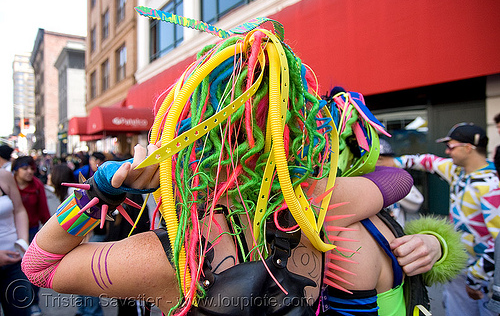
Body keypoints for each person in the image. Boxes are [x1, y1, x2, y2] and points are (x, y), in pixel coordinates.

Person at [21, 20, 457, 316]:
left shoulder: (180, 256)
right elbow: (396, 179)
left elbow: (40, 267)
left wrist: (103, 191)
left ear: (188, 138)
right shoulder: (337, 204)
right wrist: (434, 244)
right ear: (304, 132)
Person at [378, 122, 500, 316]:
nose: (447, 151)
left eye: (451, 146)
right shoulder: (457, 171)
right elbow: (426, 161)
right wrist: (393, 163)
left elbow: (498, 241)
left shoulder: (491, 185)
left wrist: (476, 278)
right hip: (461, 270)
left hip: (483, 277)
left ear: (468, 148)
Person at [12, 155, 51, 316]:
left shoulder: (37, 185)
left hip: (33, 231)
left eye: (31, 168)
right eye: (25, 168)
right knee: (14, 270)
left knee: (33, 269)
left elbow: (44, 212)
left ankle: (33, 301)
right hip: (11, 233)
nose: (29, 172)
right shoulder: (8, 185)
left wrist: (50, 232)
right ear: (16, 170)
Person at [0, 168, 32, 316]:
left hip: (15, 260)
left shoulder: (4, 176)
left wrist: (23, 242)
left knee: (20, 309)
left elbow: (19, 210)